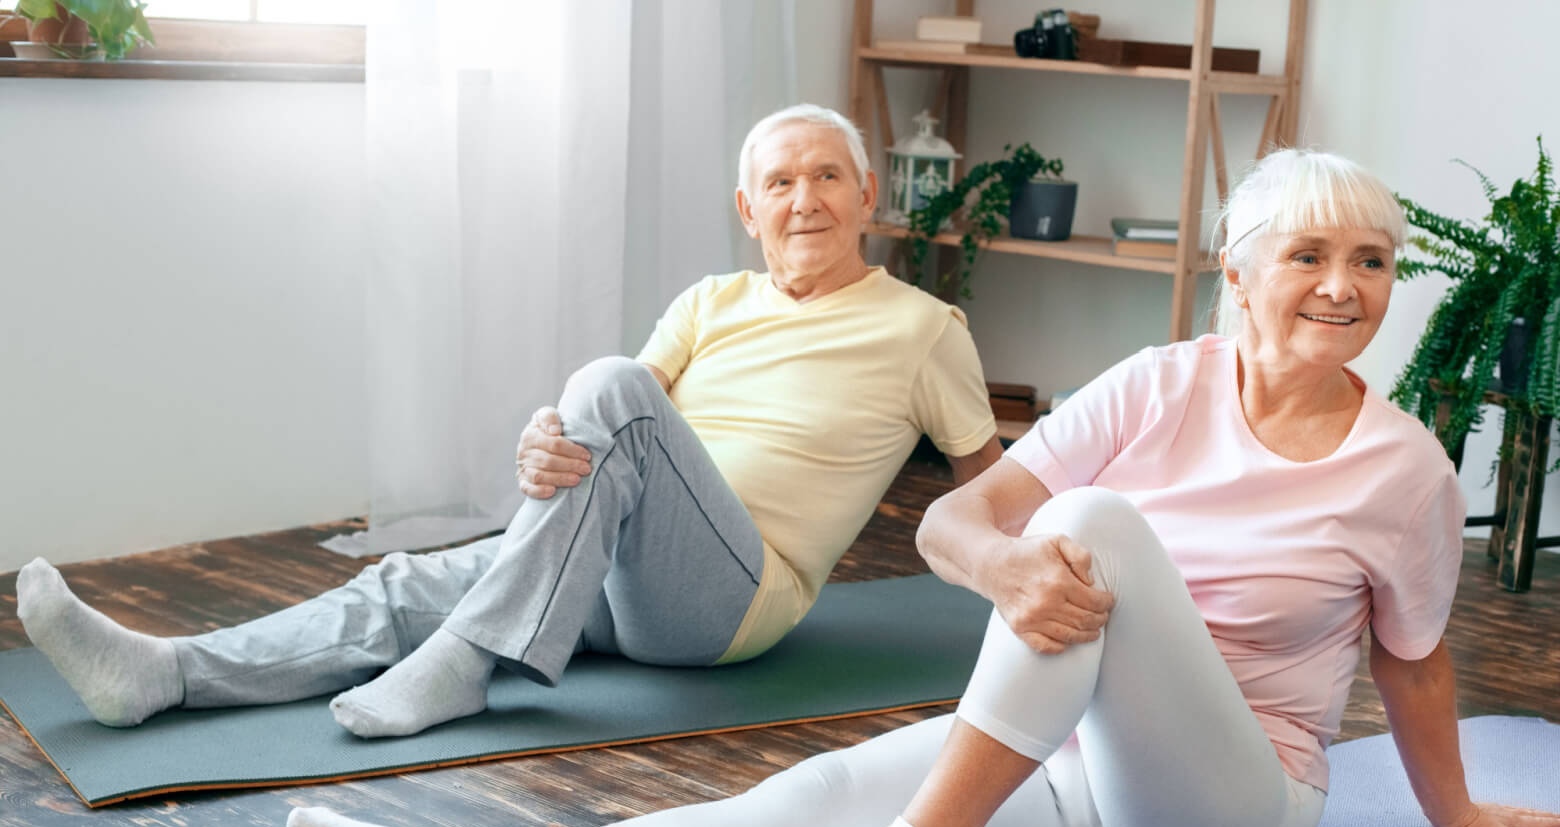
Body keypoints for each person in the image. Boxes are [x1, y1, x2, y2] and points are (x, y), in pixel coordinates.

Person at [282, 147, 1560, 827]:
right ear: (1237, 271)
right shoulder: (1158, 383)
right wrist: (1005, 574)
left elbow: (1415, 655)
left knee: (1090, 529)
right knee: (803, 802)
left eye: (1372, 262)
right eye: (1308, 255)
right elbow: (957, 523)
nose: (1344, 287)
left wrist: (1451, 813)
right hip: (1067, 767)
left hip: (1229, 813)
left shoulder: (1401, 467)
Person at [14, 103, 1001, 738]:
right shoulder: (711, 301)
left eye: (827, 175)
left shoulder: (922, 329)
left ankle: (467, 660)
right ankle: (164, 675)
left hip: (732, 602)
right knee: (405, 585)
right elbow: (614, 423)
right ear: (748, 208)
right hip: (619, 559)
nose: (805, 200)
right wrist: (547, 441)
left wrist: (1031, 595)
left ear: (868, 195)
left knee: (609, 384)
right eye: (780, 182)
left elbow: (992, 490)